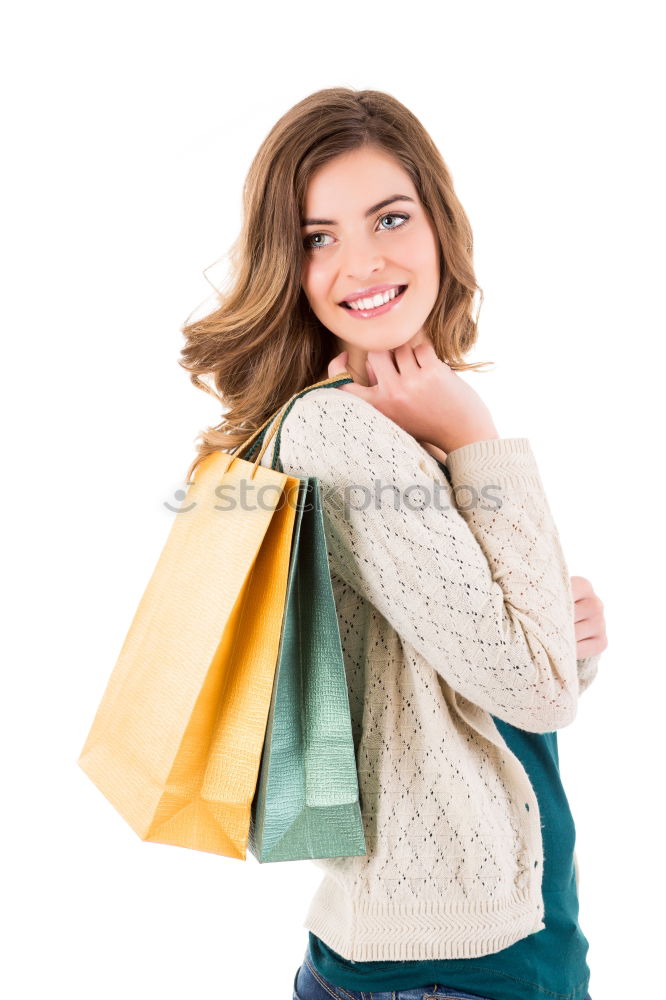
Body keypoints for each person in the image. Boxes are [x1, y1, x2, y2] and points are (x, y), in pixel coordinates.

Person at [181, 88, 606, 1000]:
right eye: (318, 235)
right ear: (285, 265)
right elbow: (535, 688)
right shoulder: (350, 435)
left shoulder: (394, 426)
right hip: (451, 970)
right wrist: (479, 437)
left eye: (389, 217)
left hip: (456, 948)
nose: (363, 260)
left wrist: (569, 647)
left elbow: (481, 686)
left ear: (440, 226)